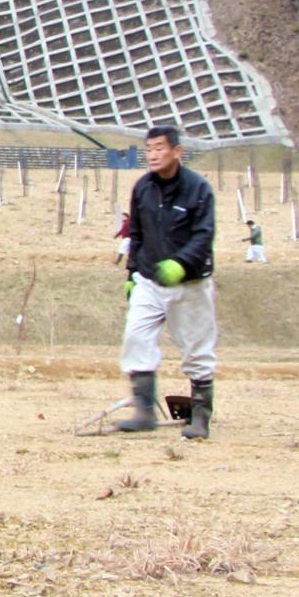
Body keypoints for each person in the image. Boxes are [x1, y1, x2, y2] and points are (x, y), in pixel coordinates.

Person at [115, 124, 218, 440]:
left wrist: (180, 263)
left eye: (160, 148)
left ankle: (200, 417)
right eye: (149, 149)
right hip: (149, 279)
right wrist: (132, 274)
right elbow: (137, 234)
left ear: (177, 151)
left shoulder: (198, 189)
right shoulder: (142, 188)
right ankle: (144, 410)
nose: (153, 155)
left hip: (189, 283)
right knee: (136, 336)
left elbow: (204, 235)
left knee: (197, 350)